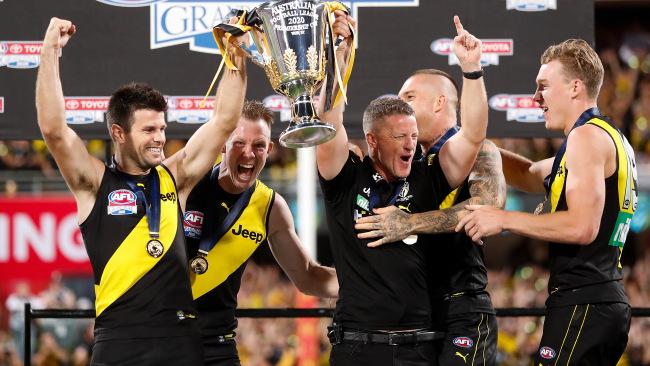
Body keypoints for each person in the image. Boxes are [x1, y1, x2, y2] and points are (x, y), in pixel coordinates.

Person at [36, 17, 246, 365]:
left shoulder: (173, 177)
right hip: (118, 341)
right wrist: (49, 52)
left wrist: (234, 54)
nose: (160, 138)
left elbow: (224, 120)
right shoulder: (93, 182)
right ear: (118, 133)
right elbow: (54, 130)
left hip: (180, 340)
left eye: (162, 128)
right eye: (149, 130)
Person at [316, 15, 487, 365]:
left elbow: (472, 135)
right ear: (372, 141)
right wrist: (339, 55)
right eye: (399, 137)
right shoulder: (344, 178)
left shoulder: (426, 175)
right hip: (357, 348)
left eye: (413, 135)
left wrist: (471, 70)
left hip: (418, 349)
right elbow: (328, 120)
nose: (411, 144)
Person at [457, 39, 637, 365]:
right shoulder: (606, 136)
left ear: (574, 88)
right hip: (599, 300)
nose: (535, 97)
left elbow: (582, 226)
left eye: (543, 86)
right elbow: (528, 173)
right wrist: (471, 143)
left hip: (584, 301)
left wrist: (503, 218)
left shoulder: (585, 138)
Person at [354, 68, 505, 365]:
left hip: (462, 304)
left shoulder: (480, 150)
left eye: (408, 96)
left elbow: (486, 210)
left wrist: (410, 223)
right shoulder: (408, 165)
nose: (400, 103)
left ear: (439, 103)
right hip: (418, 314)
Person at [184, 100, 338, 366]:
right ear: (222, 143)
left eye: (258, 146)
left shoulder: (270, 207)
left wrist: (367, 281)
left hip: (216, 344)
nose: (248, 154)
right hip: (162, 335)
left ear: (269, 149)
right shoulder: (185, 184)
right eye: (239, 143)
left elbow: (308, 276)